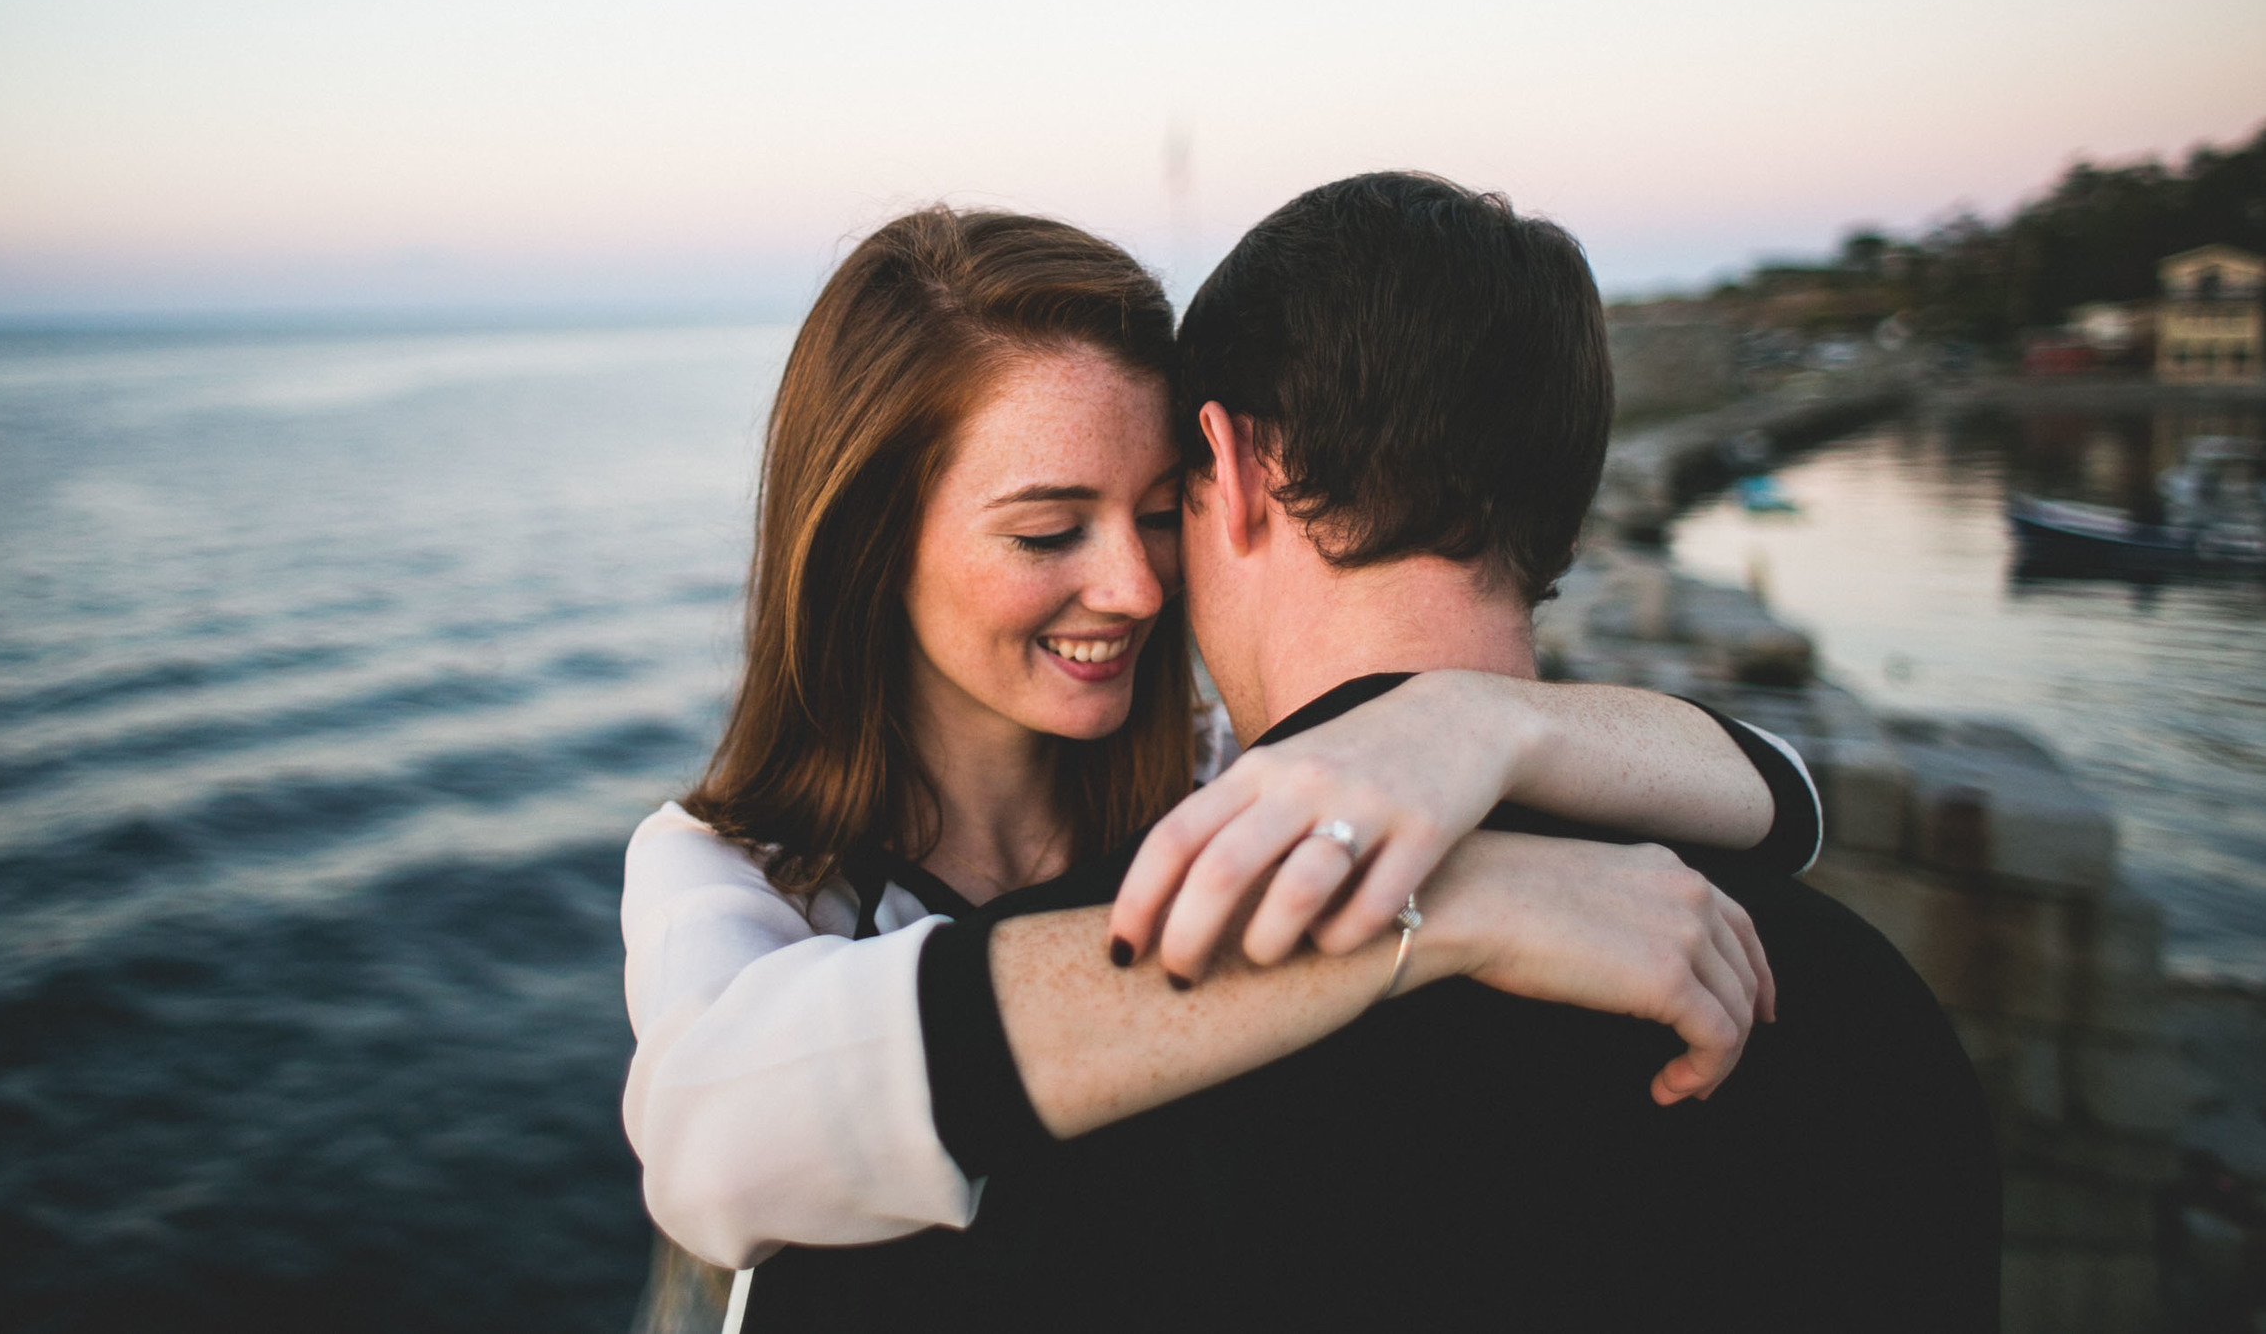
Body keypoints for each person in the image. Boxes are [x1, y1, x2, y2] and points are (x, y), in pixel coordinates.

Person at [620, 207, 1826, 1327]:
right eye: (1049, 530)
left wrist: (1480, 722)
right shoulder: (740, 868)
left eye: (1160, 511)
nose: (1139, 587)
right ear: (870, 539)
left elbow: (1782, 796)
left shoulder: (1234, 774)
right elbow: (707, 1145)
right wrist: (1439, 910)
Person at [861, 173, 2002, 1332]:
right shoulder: (1867, 1011)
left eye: (1168, 504)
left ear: (1236, 465)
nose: (1142, 581)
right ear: (1561, 497)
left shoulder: (1054, 1031)